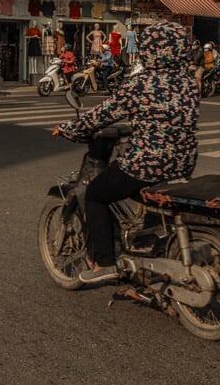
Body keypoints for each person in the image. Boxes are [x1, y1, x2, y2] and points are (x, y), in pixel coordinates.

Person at [54, 19, 198, 287]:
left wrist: (69, 129)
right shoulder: (189, 83)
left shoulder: (140, 84)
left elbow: (102, 114)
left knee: (96, 193)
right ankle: (148, 239)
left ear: (151, 50)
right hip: (183, 162)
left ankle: (106, 264)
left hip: (148, 163)